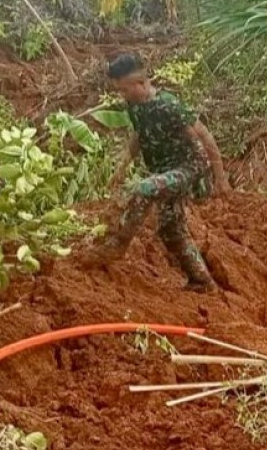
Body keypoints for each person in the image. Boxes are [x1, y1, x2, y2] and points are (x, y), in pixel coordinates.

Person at [87, 53, 230, 291]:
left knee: (145, 188)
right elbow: (138, 136)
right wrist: (121, 168)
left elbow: (204, 136)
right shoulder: (134, 106)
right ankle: (202, 281)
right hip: (165, 171)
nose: (122, 95)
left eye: (124, 90)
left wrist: (221, 179)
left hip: (190, 167)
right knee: (170, 229)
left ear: (141, 83)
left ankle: (118, 245)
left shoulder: (168, 104)